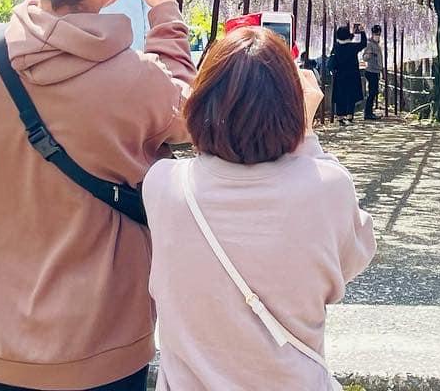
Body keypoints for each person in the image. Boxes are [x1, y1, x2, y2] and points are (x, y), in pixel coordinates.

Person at [0, 0, 194, 391]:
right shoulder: (133, 79)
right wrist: (164, 10)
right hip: (99, 340)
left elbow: (35, 36)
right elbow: (188, 113)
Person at [144, 25, 376, 389]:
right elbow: (351, 261)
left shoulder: (164, 185)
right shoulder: (328, 188)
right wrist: (307, 134)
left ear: (201, 102)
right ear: (291, 109)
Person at [329, 23, 362, 124]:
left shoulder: (336, 47)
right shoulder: (352, 47)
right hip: (352, 75)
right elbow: (363, 43)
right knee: (350, 95)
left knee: (340, 97)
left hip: (340, 76)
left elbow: (332, 62)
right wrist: (362, 32)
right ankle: (350, 115)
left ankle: (340, 117)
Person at [362, 24, 383, 120]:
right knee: (372, 92)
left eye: (378, 33)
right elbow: (364, 57)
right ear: (373, 33)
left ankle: (369, 112)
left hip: (376, 71)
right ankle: (367, 113)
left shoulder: (377, 44)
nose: (377, 35)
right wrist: (369, 55)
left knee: (374, 92)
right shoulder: (369, 44)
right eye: (376, 33)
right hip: (370, 71)